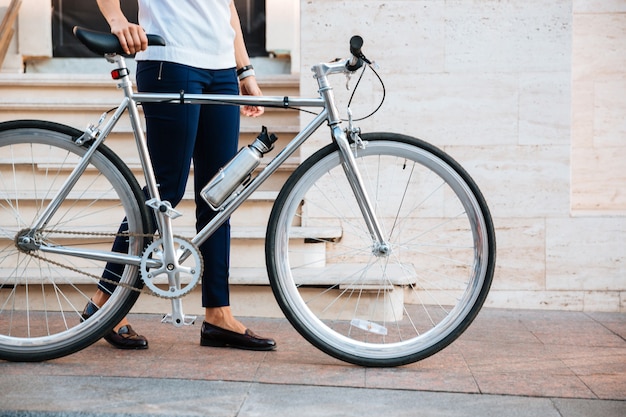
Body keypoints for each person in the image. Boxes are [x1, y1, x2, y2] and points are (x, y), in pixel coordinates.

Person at [81, 0, 276, 351]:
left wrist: (244, 69)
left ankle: (218, 314)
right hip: (170, 60)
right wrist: (118, 20)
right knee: (164, 189)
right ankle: (104, 302)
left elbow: (226, 5)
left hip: (221, 69)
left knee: (220, 193)